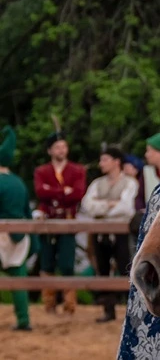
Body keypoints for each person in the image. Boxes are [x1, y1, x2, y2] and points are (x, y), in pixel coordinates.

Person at [81, 145, 138, 323]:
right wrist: (109, 205)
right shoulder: (97, 184)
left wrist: (101, 208)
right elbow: (87, 205)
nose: (101, 164)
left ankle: (132, 312)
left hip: (120, 233)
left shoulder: (130, 183)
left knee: (126, 268)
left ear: (116, 162)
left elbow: (126, 207)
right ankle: (108, 310)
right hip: (101, 233)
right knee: (103, 269)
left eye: (104, 160)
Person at [32, 131, 86, 314]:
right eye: (57, 147)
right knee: (47, 262)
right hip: (47, 221)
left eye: (64, 146)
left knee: (67, 263)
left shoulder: (77, 170)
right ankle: (49, 305)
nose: (61, 150)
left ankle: (69, 305)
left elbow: (78, 193)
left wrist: (52, 191)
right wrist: (64, 191)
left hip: (68, 220)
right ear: (50, 151)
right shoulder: (42, 171)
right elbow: (40, 192)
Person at [0, 126, 33, 331]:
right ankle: (24, 320)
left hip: (1, 233)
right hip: (20, 235)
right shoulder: (19, 182)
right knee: (18, 277)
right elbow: (27, 212)